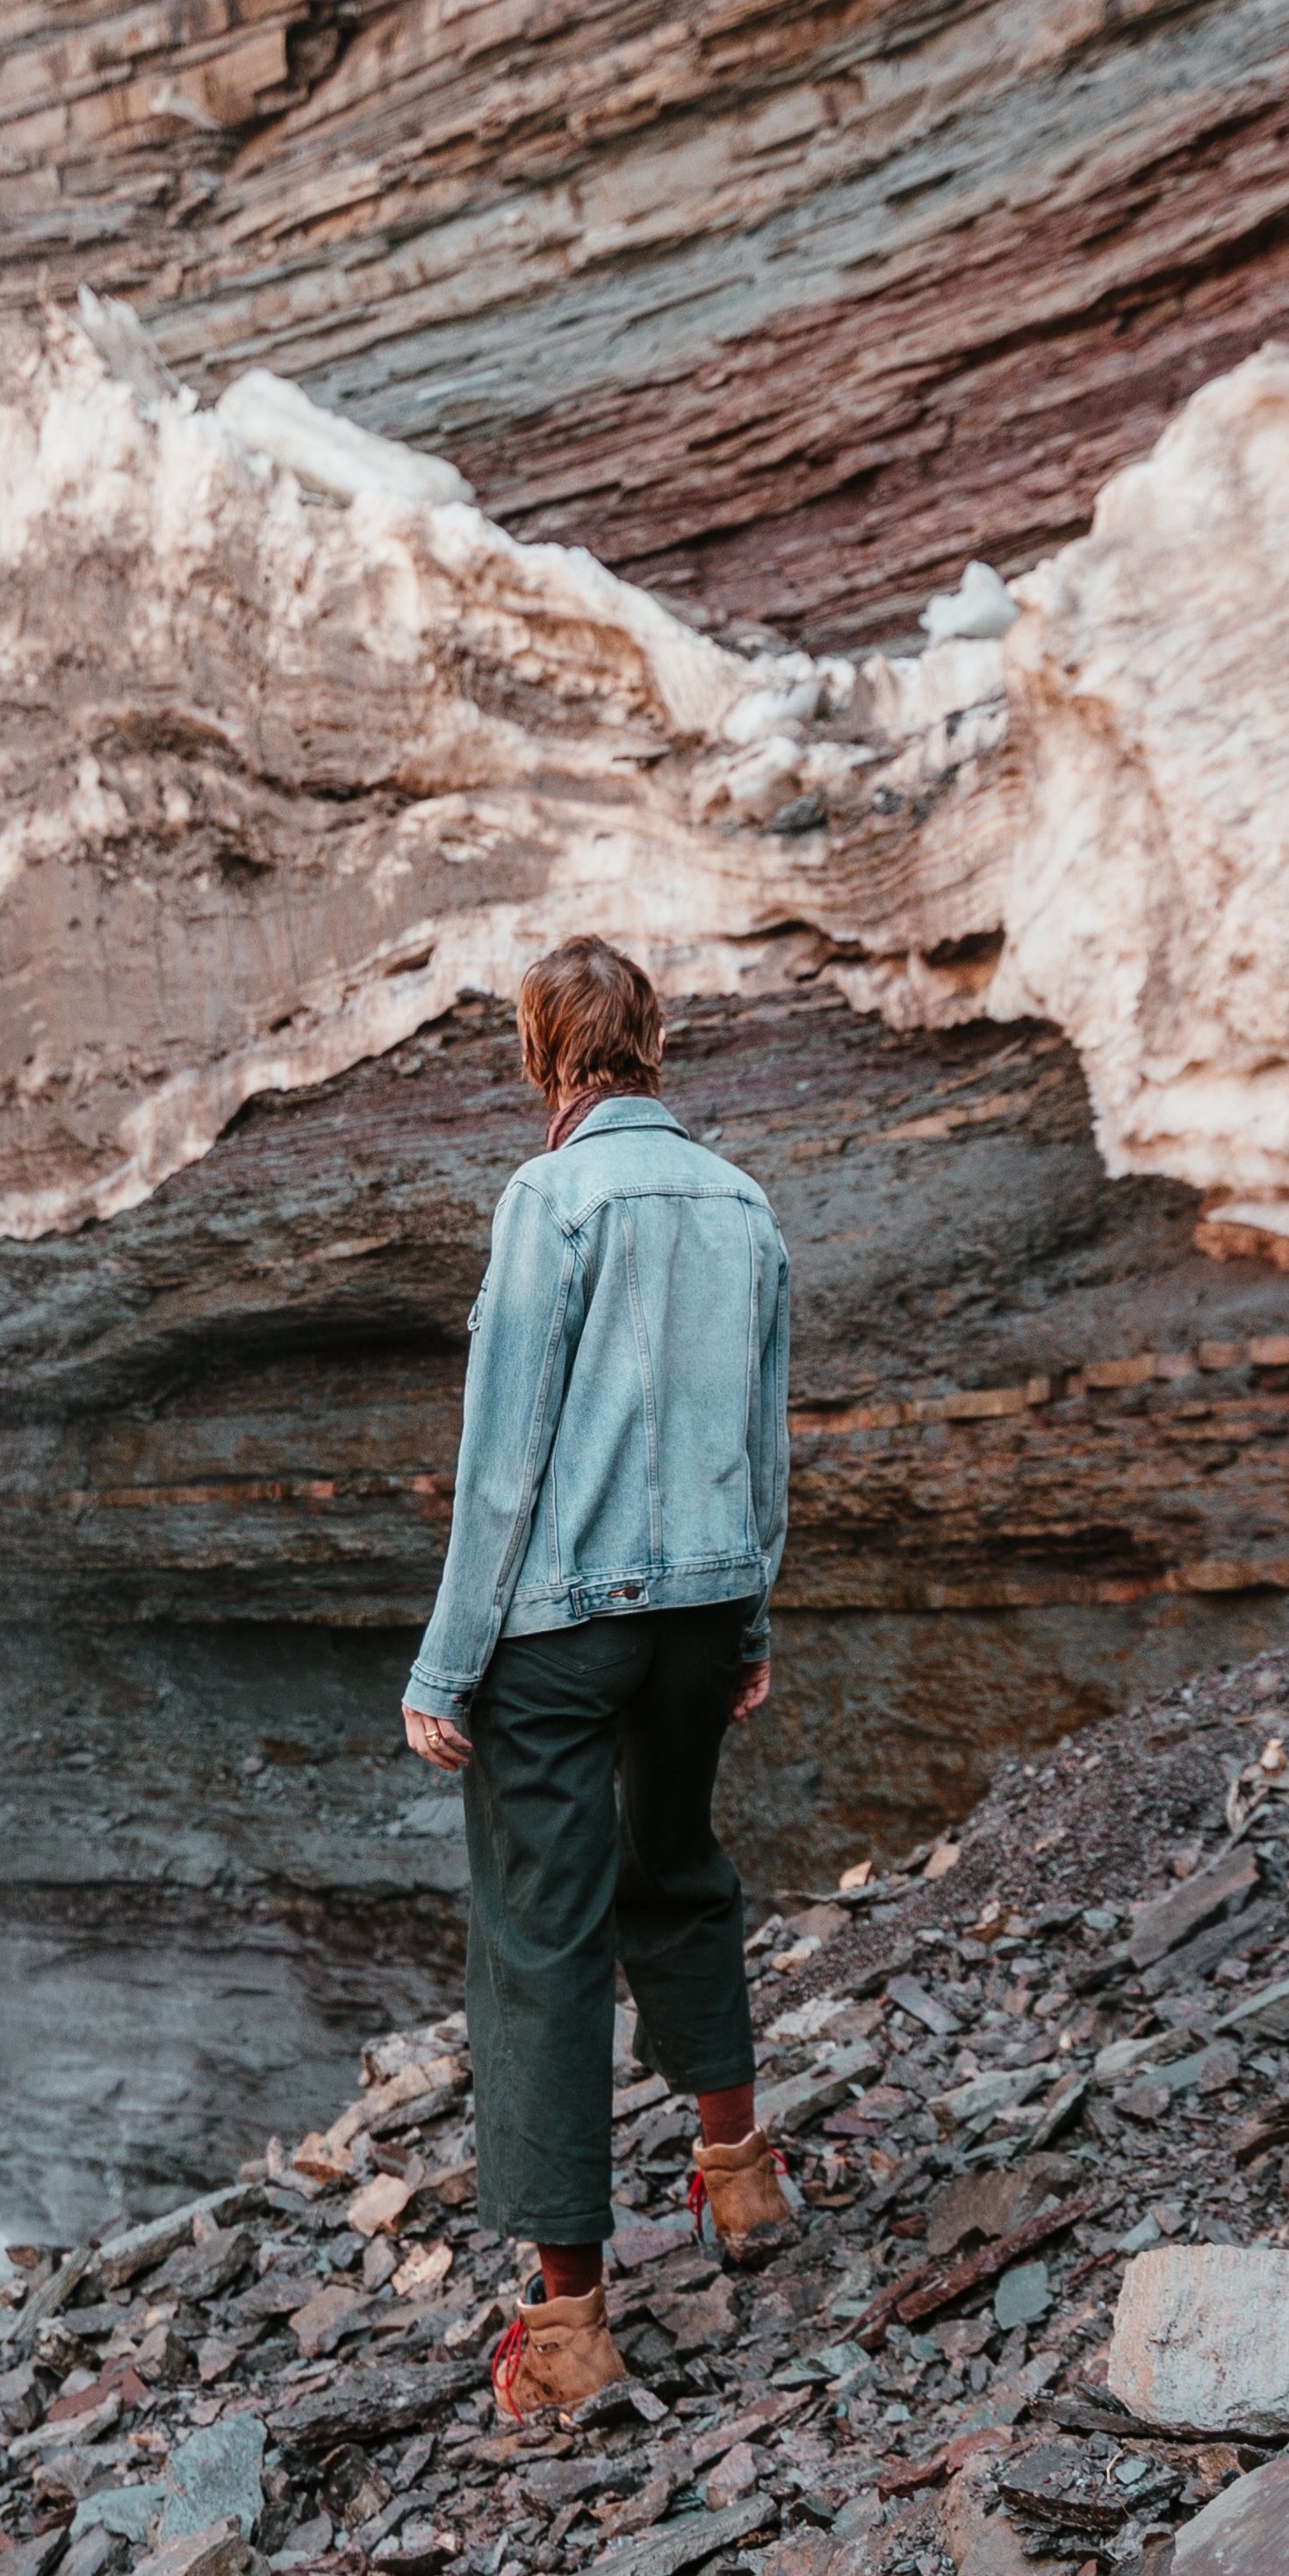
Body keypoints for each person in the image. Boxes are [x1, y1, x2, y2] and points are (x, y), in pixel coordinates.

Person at [400, 938, 801, 2426]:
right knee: (679, 1866)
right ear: (654, 1047)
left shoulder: (548, 1198)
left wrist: (447, 1667)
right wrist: (748, 1626)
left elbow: (502, 1463)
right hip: (703, 1609)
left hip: (562, 1632)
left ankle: (569, 2328)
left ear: (542, 1055)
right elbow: (766, 1444)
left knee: (542, 1936)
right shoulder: (743, 1205)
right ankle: (740, 2182)